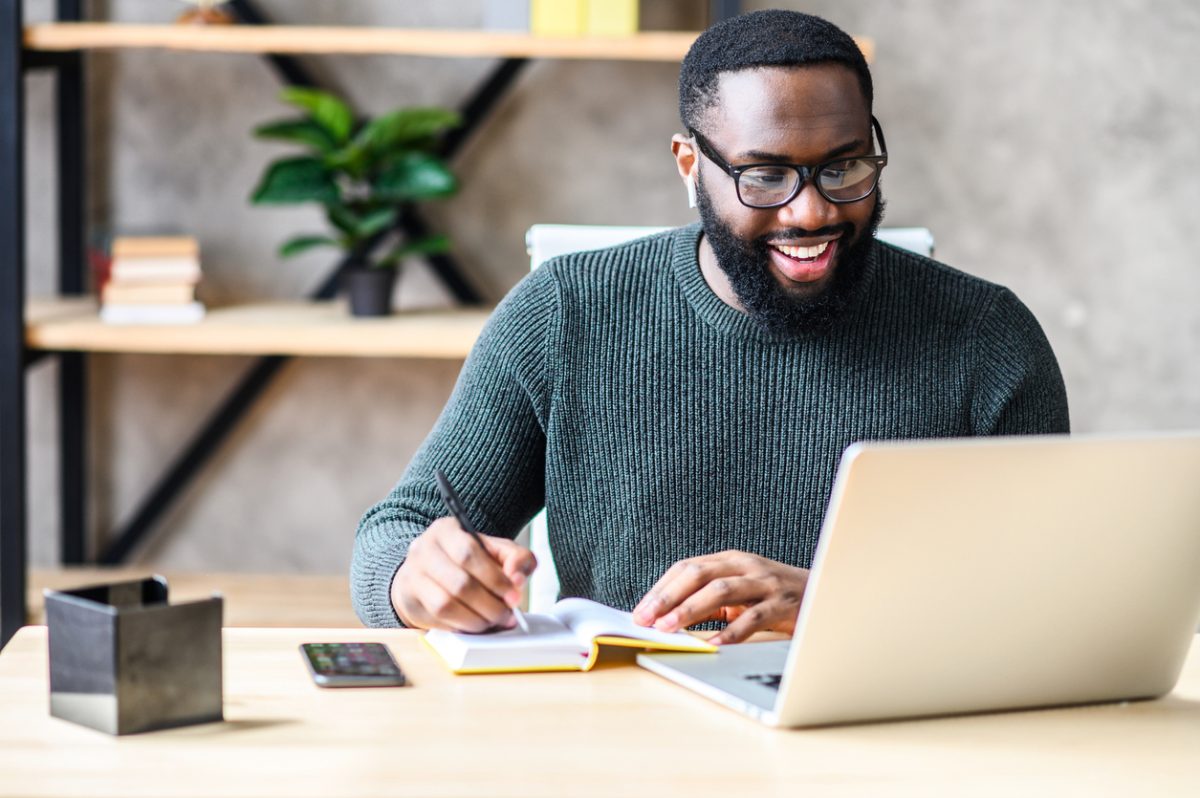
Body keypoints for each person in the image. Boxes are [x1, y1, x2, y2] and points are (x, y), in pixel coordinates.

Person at [351, 10, 1069, 644]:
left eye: (844, 167)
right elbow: (392, 537)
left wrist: (827, 599)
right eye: (764, 176)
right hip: (624, 736)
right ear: (690, 166)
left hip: (886, 736)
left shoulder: (987, 338)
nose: (810, 213)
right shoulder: (565, 314)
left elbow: (1055, 598)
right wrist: (417, 581)